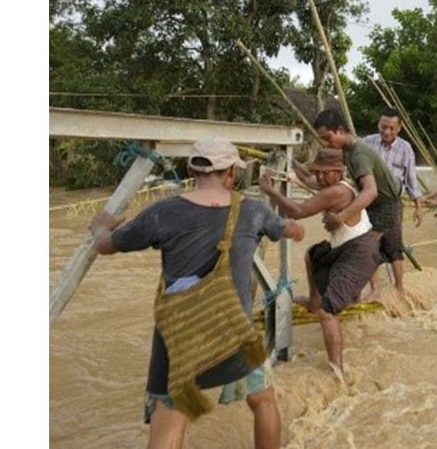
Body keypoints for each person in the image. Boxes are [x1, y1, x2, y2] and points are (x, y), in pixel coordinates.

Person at [89, 137, 305, 449]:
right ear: (232, 173)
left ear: (191, 170)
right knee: (263, 401)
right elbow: (289, 230)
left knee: (171, 417)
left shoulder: (162, 212)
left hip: (180, 336)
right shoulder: (253, 212)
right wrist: (296, 229)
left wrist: (101, 225)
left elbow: (106, 245)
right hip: (235, 331)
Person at [259, 148, 383, 374]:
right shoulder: (334, 185)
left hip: (359, 252)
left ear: (339, 172)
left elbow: (298, 211)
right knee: (314, 254)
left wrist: (270, 191)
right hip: (346, 248)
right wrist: (290, 161)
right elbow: (308, 179)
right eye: (319, 172)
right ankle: (315, 301)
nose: (321, 177)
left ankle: (337, 370)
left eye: (326, 173)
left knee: (328, 313)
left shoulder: (336, 191)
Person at [303, 109, 401, 302]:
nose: (327, 143)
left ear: (340, 130)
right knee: (364, 247)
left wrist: (341, 217)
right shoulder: (348, 151)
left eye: (328, 138)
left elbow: (370, 191)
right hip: (374, 204)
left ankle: (373, 291)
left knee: (364, 248)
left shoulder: (358, 155)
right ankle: (361, 292)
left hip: (384, 207)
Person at [362, 107, 423, 294]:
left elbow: (411, 180)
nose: (387, 132)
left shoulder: (405, 149)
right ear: (378, 125)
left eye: (391, 128)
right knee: (368, 245)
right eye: (383, 127)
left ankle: (399, 288)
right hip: (369, 202)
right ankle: (375, 290)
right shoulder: (367, 143)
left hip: (393, 202)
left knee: (394, 246)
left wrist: (418, 207)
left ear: (399, 128)